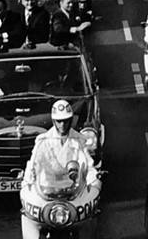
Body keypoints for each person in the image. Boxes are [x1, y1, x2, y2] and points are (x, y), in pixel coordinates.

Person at [21, 99, 100, 239]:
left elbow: (87, 164)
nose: (62, 125)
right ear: (53, 121)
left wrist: (93, 182)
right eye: (59, 121)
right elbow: (33, 165)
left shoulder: (79, 140)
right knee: (30, 220)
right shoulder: (43, 141)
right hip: (46, 192)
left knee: (88, 222)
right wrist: (27, 183)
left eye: (66, 121)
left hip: (72, 192)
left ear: (70, 120)